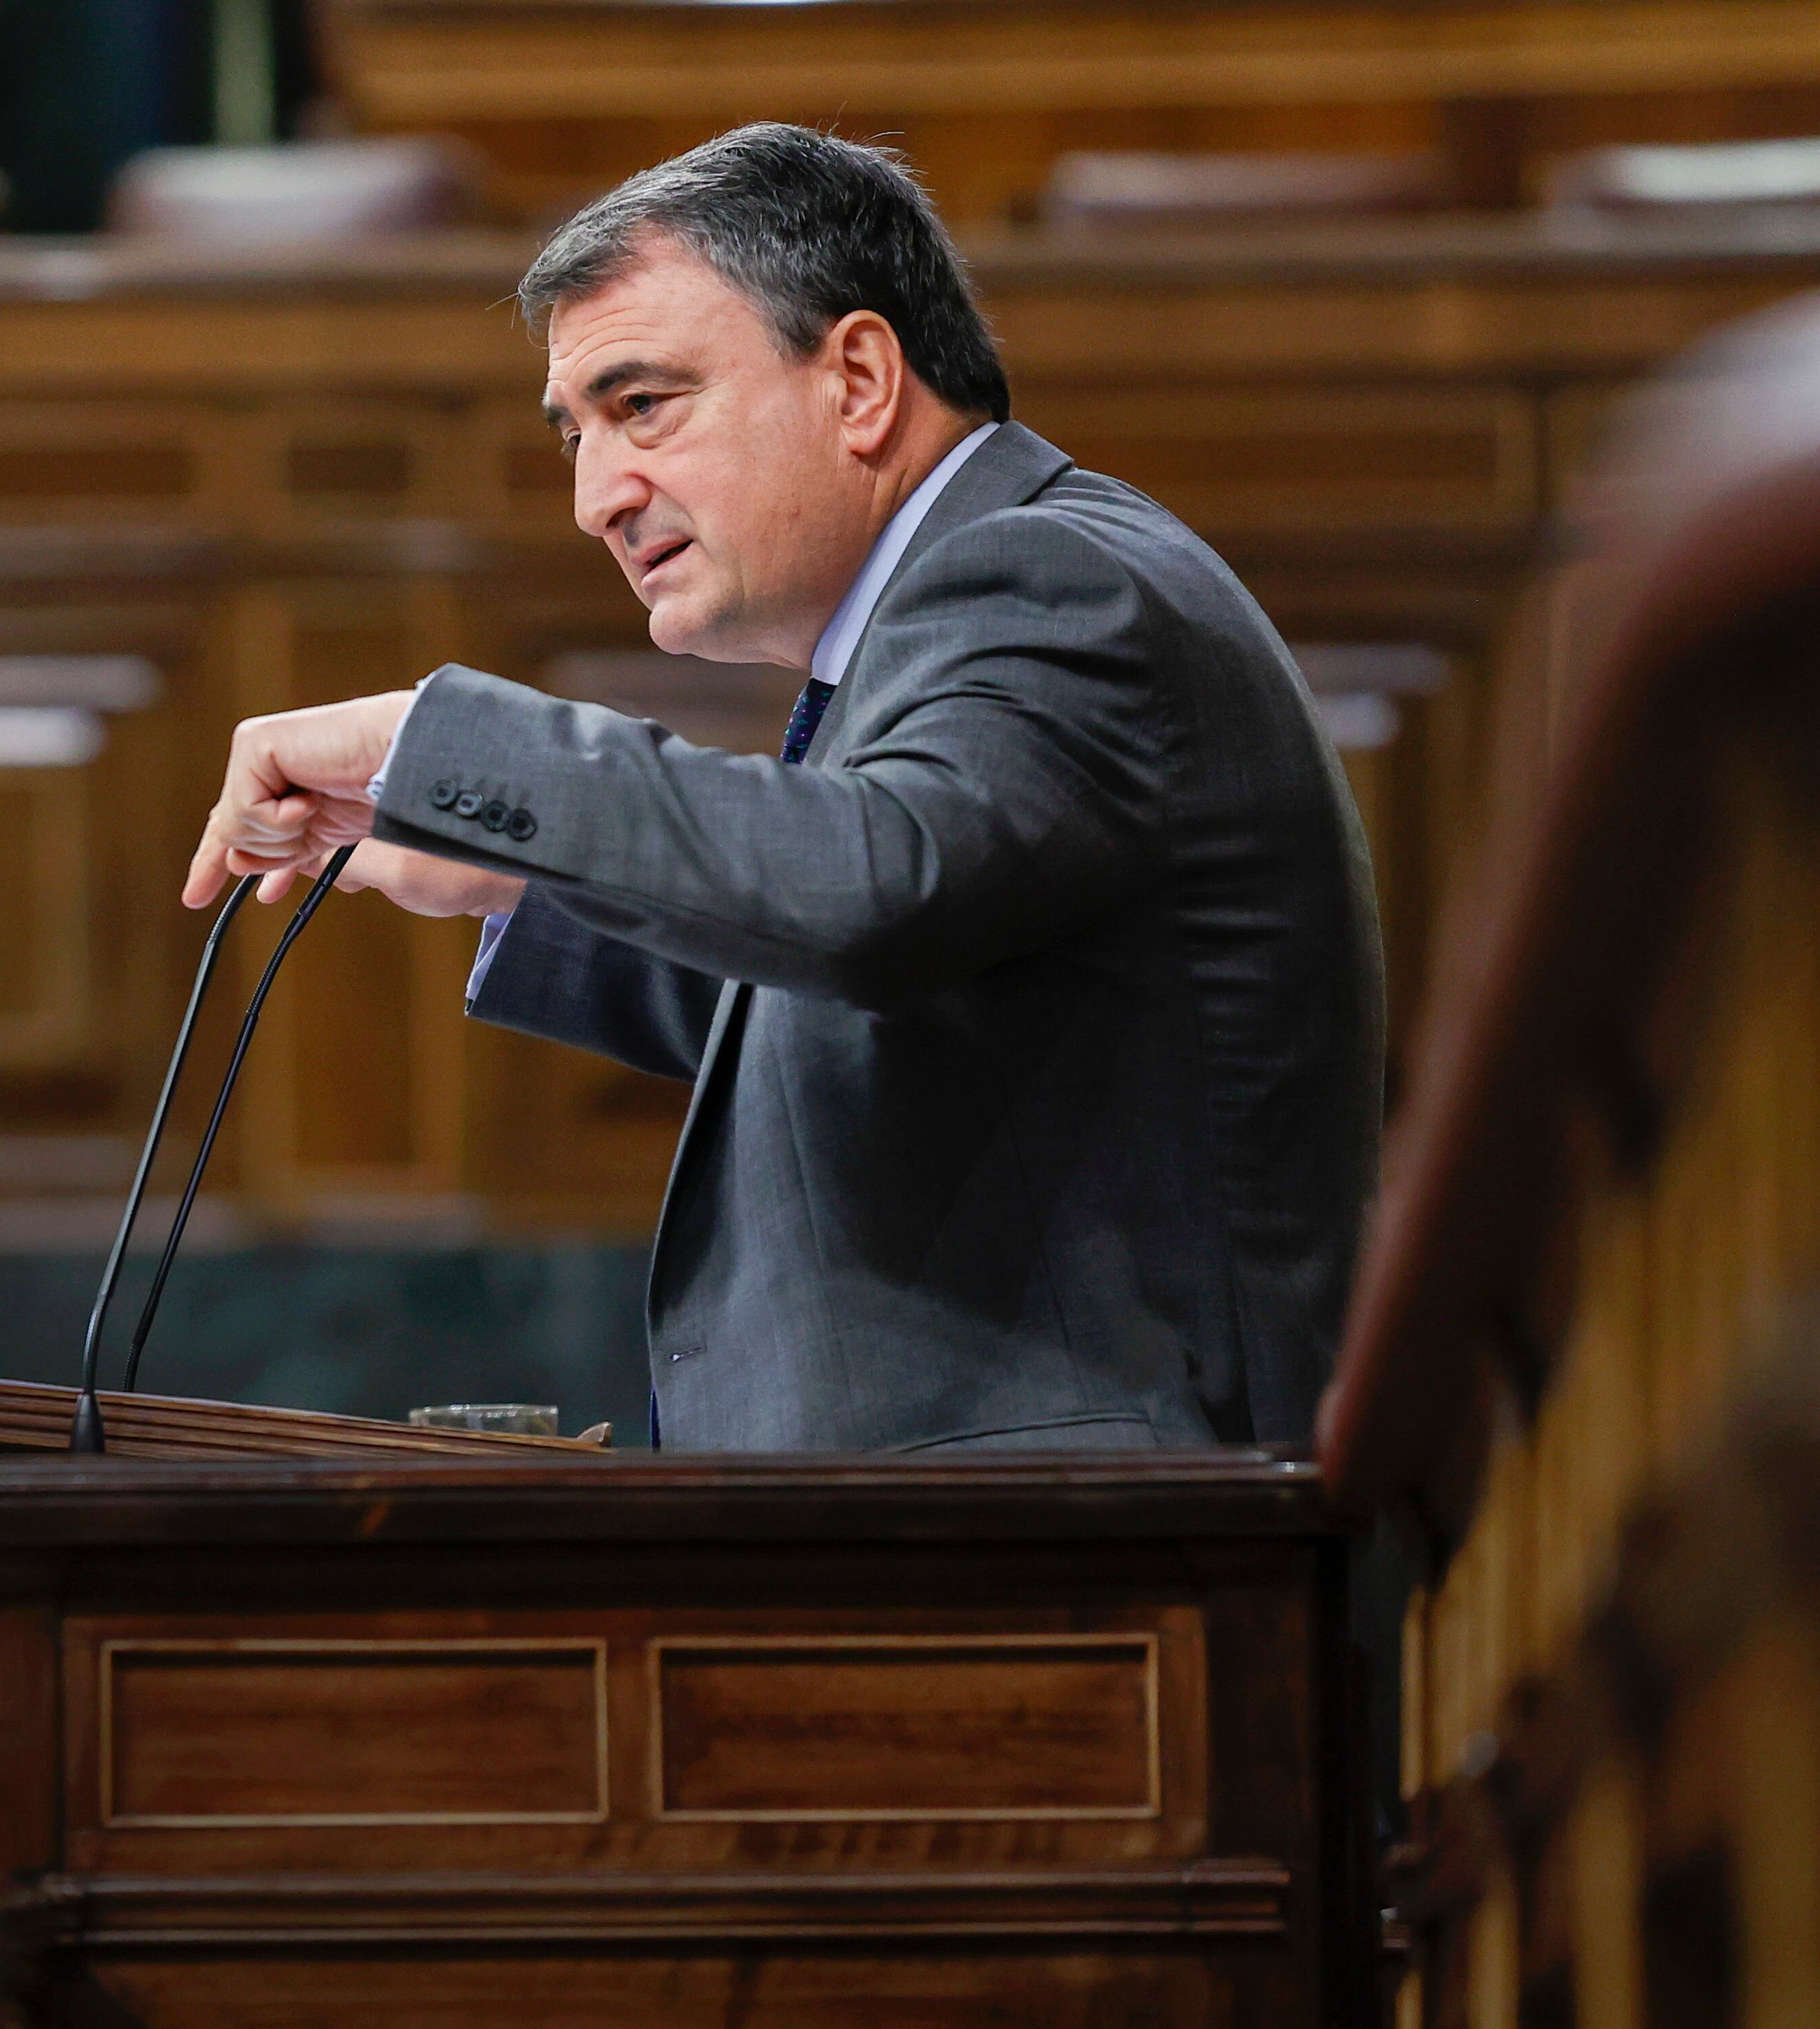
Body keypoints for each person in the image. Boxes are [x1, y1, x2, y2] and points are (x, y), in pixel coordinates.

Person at [182, 124, 1383, 1456]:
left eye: (643, 407)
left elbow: (871, 890)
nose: (594, 497)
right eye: (575, 434)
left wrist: (449, 748)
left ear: (860, 379)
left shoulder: (1049, 580)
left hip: (1087, 1581)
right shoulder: (968, 606)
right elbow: (886, 1017)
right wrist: (518, 873)